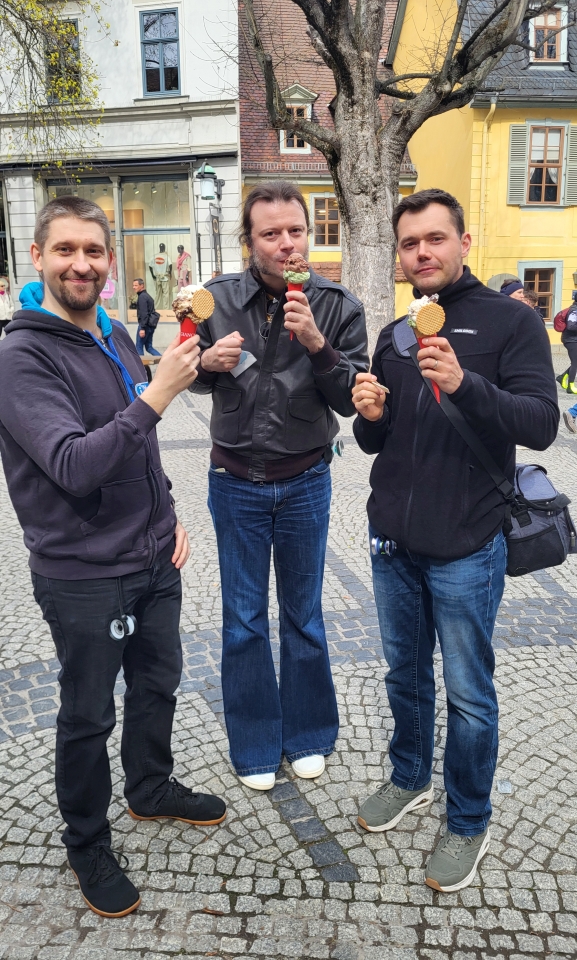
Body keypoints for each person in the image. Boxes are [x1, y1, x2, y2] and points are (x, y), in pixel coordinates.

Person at [0, 197, 226, 919]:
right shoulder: (19, 358)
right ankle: (87, 839)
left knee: (158, 683)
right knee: (88, 713)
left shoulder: (117, 334)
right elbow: (71, 464)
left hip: (153, 558)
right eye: (65, 250)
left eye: (93, 252)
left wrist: (168, 511)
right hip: (83, 573)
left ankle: (149, 787)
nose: (82, 264)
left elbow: (140, 445)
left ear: (109, 260)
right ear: (37, 257)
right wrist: (158, 396)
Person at [352, 188, 558, 893]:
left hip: (467, 545)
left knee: (468, 693)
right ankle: (408, 777)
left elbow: (539, 424)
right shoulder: (395, 333)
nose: (421, 253)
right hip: (392, 543)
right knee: (402, 676)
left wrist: (466, 384)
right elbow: (376, 441)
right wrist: (369, 414)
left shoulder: (511, 323)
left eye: (434, 239)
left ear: (462, 243)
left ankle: (468, 816)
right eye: (409, 244)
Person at [190, 181, 368, 791]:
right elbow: (189, 375)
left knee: (304, 615)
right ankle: (256, 742)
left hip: (305, 481)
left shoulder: (339, 305)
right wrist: (205, 369)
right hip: (235, 481)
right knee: (242, 619)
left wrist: (317, 344)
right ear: (249, 242)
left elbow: (354, 399)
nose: (287, 243)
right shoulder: (215, 301)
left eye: (297, 230)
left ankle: (310, 733)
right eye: (271, 233)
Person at [554, 292, 577, 394]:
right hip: (571, 340)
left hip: (573, 339)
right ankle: (570, 386)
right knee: (575, 362)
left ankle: (562, 376)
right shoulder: (574, 310)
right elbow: (571, 326)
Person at [133, 277, 160, 357]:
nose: (134, 287)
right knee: (149, 347)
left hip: (145, 326)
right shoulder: (147, 296)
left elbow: (144, 314)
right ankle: (163, 360)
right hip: (150, 326)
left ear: (142, 286)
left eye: (136, 285)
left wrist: (142, 328)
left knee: (139, 347)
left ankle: (141, 368)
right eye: (133, 285)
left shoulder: (142, 297)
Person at [149, 243, 173, 309]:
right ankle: (159, 308)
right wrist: (170, 273)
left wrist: (153, 275)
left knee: (160, 294)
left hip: (161, 277)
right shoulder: (166, 256)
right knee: (163, 294)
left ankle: (158, 308)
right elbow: (170, 265)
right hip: (162, 277)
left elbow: (150, 266)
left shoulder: (155, 256)